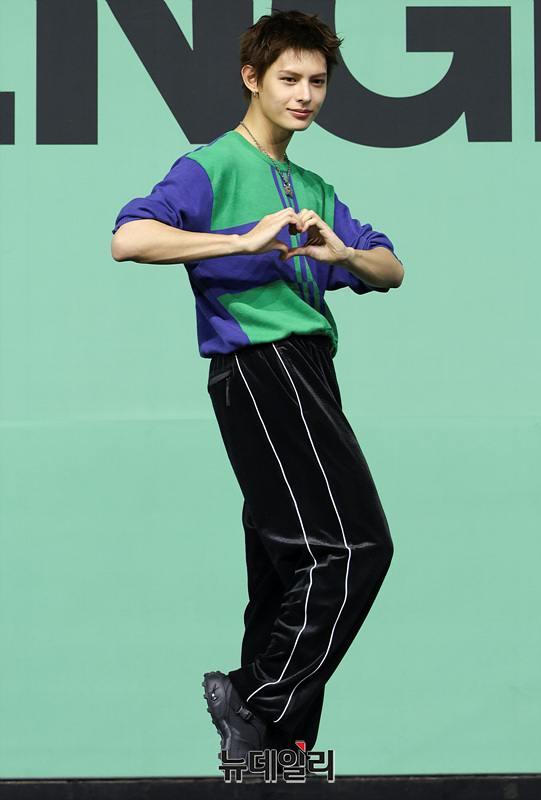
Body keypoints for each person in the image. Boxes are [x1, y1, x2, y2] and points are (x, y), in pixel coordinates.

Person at [112, 9, 403, 766]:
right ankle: (254, 697)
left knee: (286, 568)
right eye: (289, 79)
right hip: (260, 367)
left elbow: (391, 268)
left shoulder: (313, 187)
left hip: (312, 370)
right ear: (252, 78)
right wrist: (240, 240)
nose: (305, 95)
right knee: (353, 549)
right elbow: (129, 238)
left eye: (317, 82)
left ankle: (273, 755)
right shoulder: (214, 164)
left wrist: (343, 253)